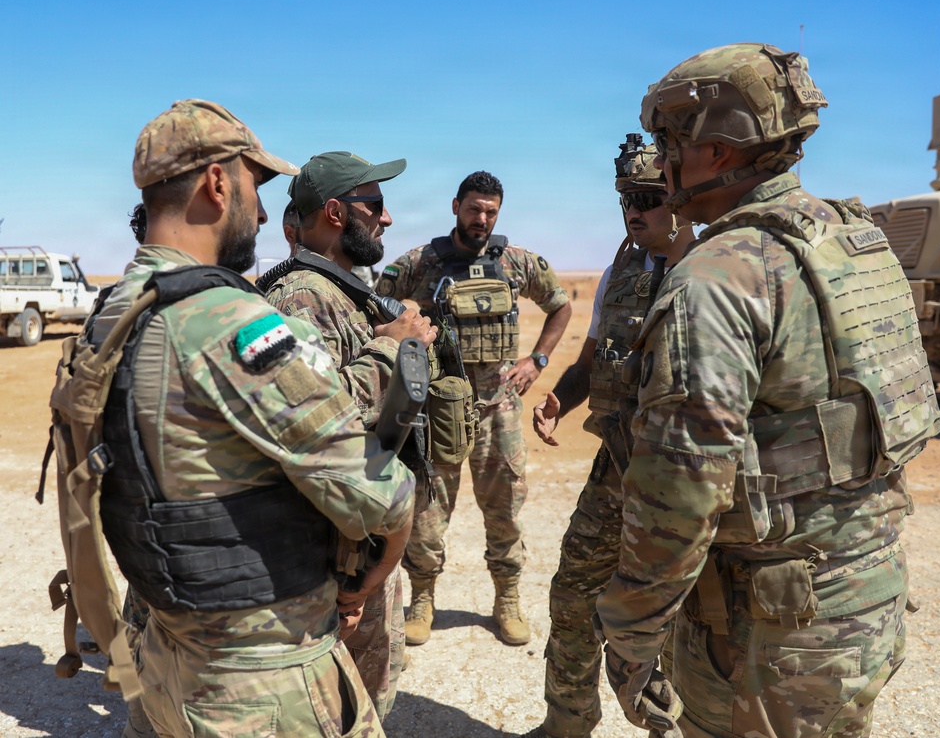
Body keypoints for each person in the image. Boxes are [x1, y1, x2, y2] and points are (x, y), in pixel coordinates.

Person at [595, 44, 940, 738]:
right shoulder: (857, 242)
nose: (662, 162)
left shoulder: (717, 277)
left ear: (719, 151)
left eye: (672, 142)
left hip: (766, 640)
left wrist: (632, 636)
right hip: (863, 602)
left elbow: (681, 493)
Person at [86, 99, 414, 737]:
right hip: (259, 681)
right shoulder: (228, 320)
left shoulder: (111, 316)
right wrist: (388, 549)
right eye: (253, 187)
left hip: (165, 652)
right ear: (215, 183)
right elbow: (370, 493)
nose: (264, 212)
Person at [525, 135, 693, 738]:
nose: (634, 211)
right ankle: (565, 724)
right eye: (626, 199)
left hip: (690, 487)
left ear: (681, 196)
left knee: (683, 622)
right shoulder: (621, 270)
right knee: (573, 597)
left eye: (649, 197)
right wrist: (559, 401)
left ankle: (673, 728)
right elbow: (593, 360)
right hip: (617, 471)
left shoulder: (716, 269)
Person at [260, 151, 437, 720]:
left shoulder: (339, 290)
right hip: (336, 547)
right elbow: (316, 423)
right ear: (336, 212)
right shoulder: (301, 297)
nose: (386, 219)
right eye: (376, 206)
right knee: (342, 704)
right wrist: (395, 346)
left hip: (359, 533)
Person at [375, 171, 572, 646]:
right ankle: (422, 598)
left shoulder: (517, 262)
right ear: (455, 207)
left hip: (499, 408)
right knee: (426, 511)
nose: (481, 219)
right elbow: (375, 308)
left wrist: (537, 360)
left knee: (505, 509)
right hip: (440, 407)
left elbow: (560, 305)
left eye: (490, 211)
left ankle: (507, 597)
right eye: (473, 209)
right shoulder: (420, 262)